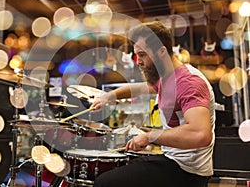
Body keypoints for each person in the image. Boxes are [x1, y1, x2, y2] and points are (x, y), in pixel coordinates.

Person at [91, 21, 215, 187]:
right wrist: (110, 96)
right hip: (173, 160)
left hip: (187, 171)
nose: (138, 61)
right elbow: (143, 88)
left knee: (104, 183)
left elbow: (200, 134)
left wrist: (150, 137)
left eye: (142, 55)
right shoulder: (168, 76)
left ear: (162, 52)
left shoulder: (189, 82)